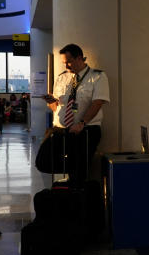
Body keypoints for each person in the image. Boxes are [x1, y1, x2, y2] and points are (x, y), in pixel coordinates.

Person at [43, 44, 110, 182]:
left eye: (69, 62)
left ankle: (77, 188)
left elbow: (98, 102)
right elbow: (56, 107)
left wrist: (81, 123)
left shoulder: (97, 76)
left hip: (84, 131)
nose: (66, 66)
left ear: (80, 58)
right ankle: (73, 176)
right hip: (61, 131)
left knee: (78, 174)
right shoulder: (62, 77)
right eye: (64, 63)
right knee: (43, 161)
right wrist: (51, 101)